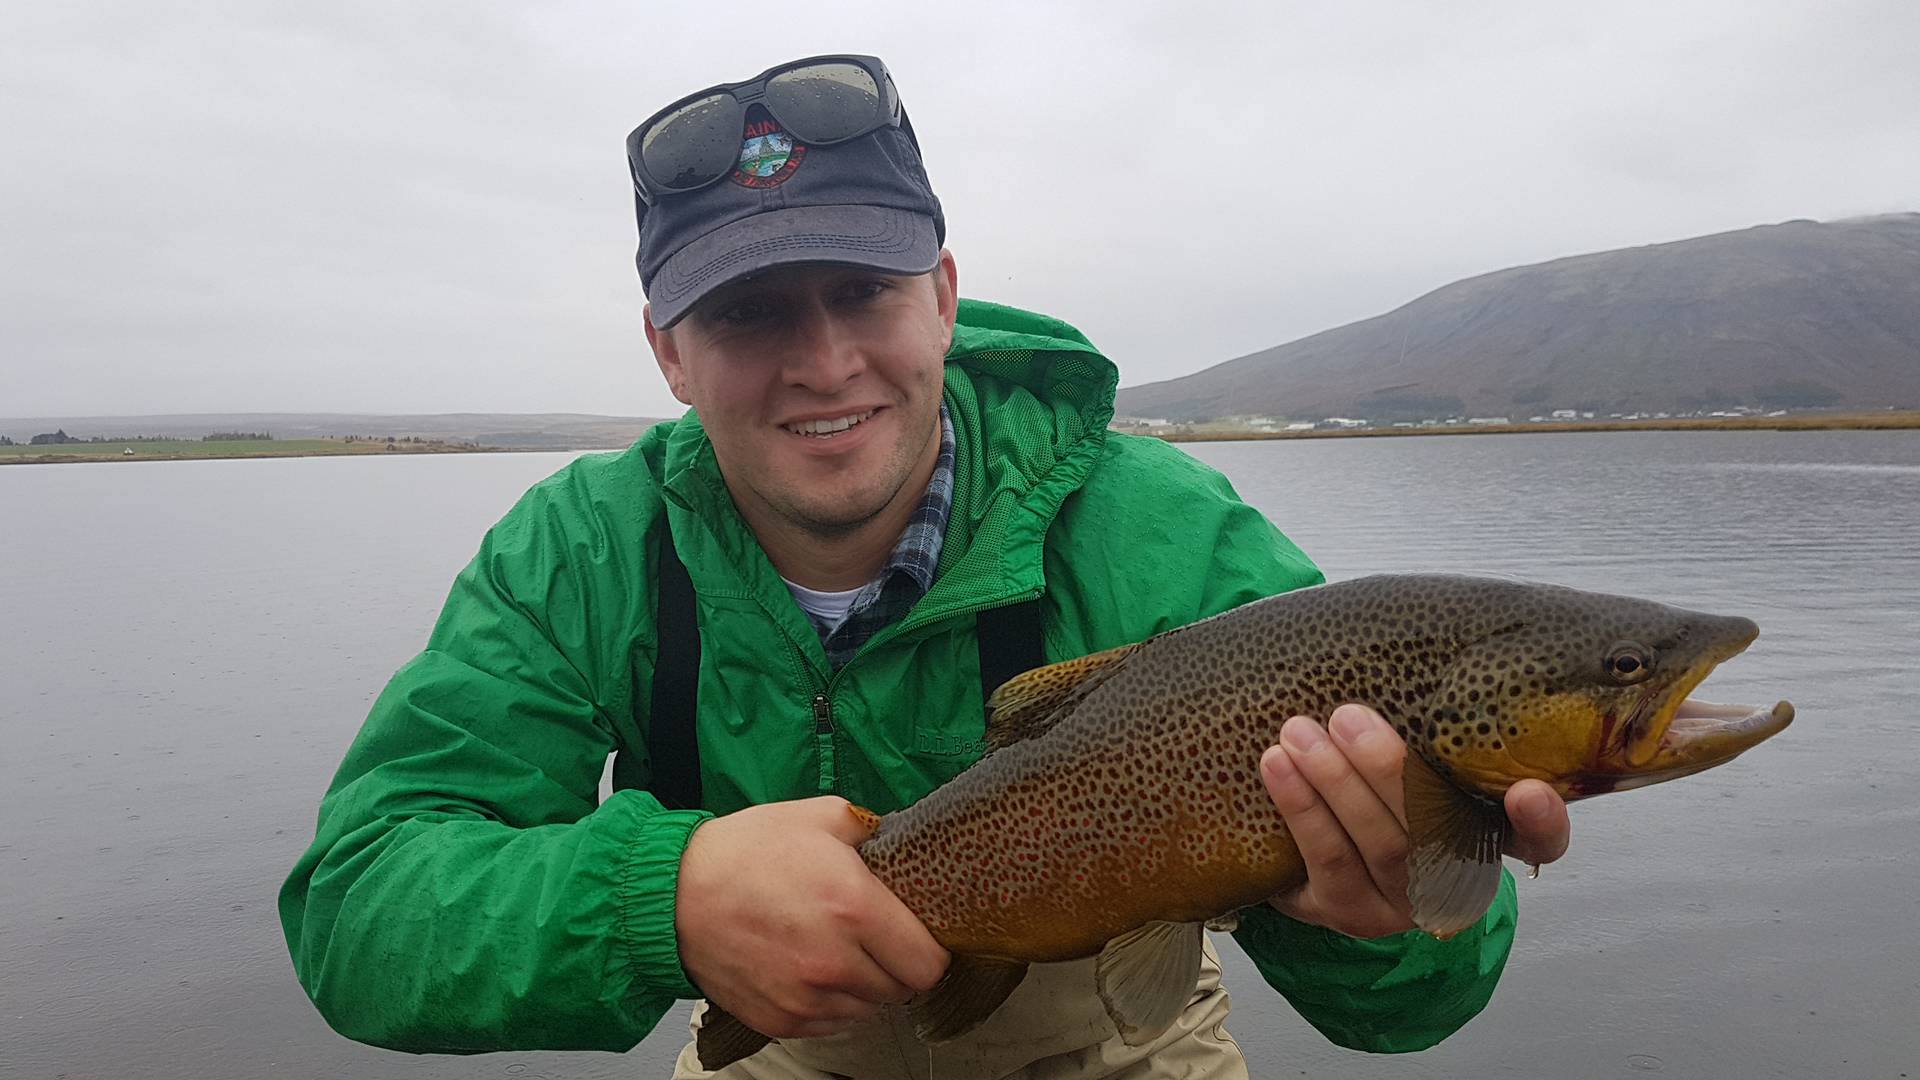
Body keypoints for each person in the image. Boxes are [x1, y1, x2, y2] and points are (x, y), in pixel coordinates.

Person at [279, 53, 1571, 1079]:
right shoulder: (584, 552)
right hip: (783, 1058)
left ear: (944, 296)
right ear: (668, 354)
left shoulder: (1154, 534)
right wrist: (660, 901)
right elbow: (356, 904)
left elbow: (1423, 1008)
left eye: (865, 291)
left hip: (1125, 1052)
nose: (825, 360)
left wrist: (1382, 920)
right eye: (747, 313)